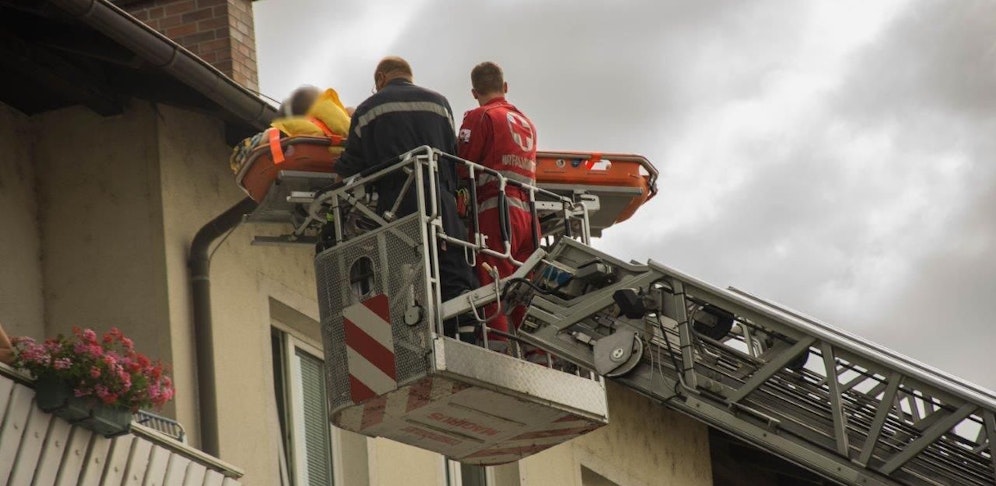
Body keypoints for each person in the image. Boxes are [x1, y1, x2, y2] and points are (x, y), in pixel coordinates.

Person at [332, 56, 477, 339]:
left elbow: (350, 165)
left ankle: (407, 336)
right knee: (454, 272)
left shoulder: (368, 109)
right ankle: (463, 334)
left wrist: (332, 191)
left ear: (381, 79)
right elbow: (452, 153)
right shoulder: (440, 104)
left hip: (396, 206)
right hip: (441, 202)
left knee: (401, 274)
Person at [457, 61, 539, 352]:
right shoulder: (526, 122)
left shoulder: (480, 117)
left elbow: (462, 165)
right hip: (529, 214)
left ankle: (498, 355)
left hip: (496, 212)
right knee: (524, 288)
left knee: (494, 285)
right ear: (505, 87)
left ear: (474, 92)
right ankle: (540, 355)